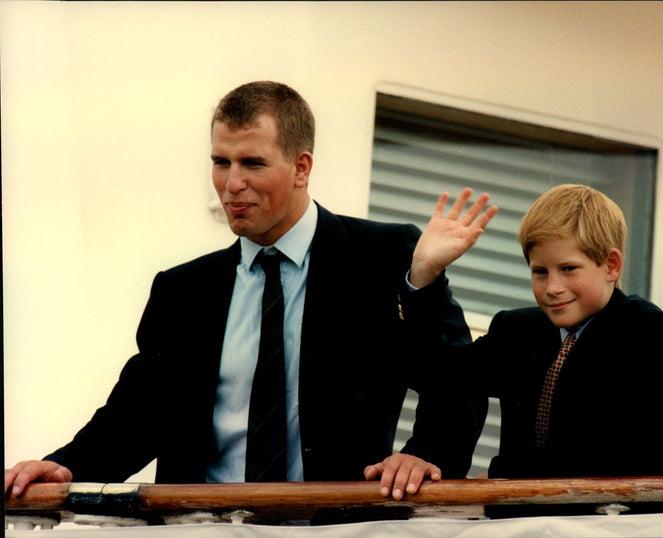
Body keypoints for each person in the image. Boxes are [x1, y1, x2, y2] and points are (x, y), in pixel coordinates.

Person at [5, 81, 487, 499]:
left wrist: (425, 453)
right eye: (221, 161)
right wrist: (65, 466)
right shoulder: (182, 289)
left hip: (333, 526)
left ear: (301, 168)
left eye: (253, 163)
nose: (231, 183)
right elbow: (138, 414)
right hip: (201, 526)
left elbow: (456, 378)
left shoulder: (382, 256)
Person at [367, 184, 663, 496]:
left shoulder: (645, 329)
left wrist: (505, 478)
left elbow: (626, 456)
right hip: (518, 519)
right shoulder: (517, 329)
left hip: (603, 524)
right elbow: (437, 375)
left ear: (611, 265)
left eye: (569, 269)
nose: (553, 287)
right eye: (540, 272)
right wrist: (425, 274)